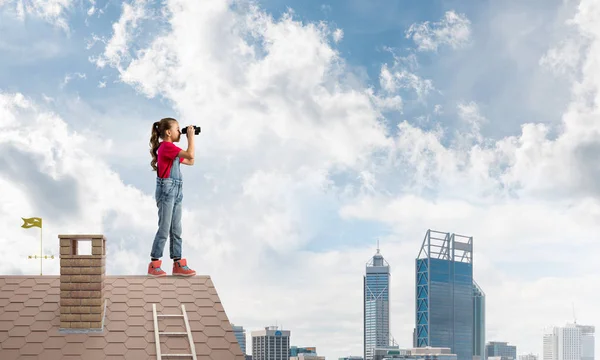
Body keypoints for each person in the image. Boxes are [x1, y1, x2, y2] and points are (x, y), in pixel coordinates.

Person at [148, 117, 197, 277]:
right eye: (178, 129)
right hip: (167, 191)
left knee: (176, 229)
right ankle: (154, 264)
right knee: (164, 228)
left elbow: (191, 161)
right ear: (168, 132)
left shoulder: (173, 150)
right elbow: (190, 153)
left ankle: (177, 263)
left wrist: (192, 139)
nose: (180, 131)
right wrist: (190, 138)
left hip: (176, 191)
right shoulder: (166, 147)